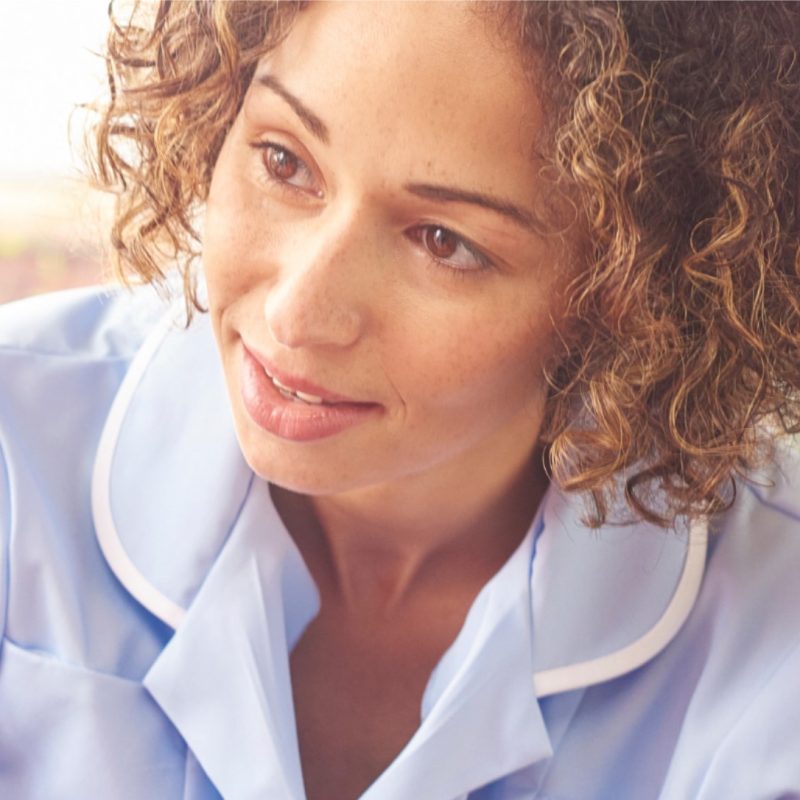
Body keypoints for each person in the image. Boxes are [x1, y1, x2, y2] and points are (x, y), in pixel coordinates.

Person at [1, 1, 799, 798]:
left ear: (626, 296)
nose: (297, 314)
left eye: (444, 243)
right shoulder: (18, 441)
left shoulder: (774, 642)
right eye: (284, 161)